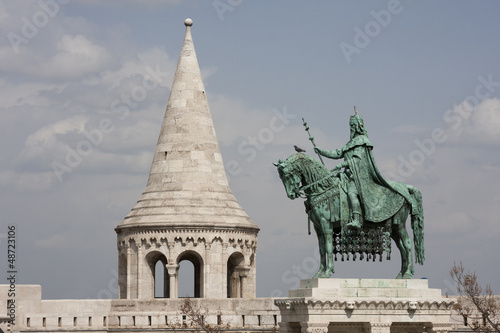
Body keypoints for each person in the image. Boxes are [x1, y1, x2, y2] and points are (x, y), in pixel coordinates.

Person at [314, 112, 405, 229]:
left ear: (357, 126)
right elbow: (337, 153)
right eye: (350, 126)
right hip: (346, 176)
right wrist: (321, 151)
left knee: (352, 194)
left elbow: (356, 160)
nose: (351, 128)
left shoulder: (362, 141)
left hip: (359, 178)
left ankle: (356, 220)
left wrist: (340, 165)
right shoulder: (350, 143)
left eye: (352, 126)